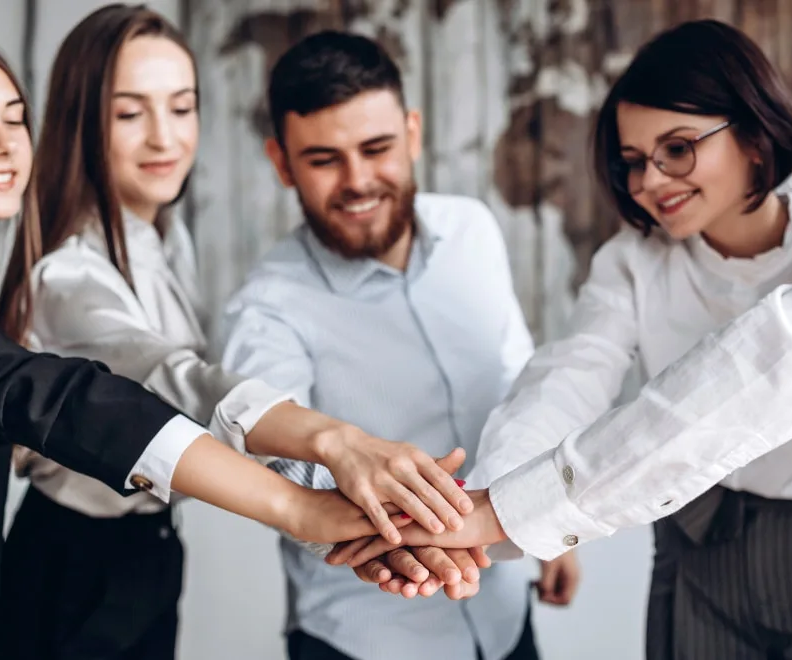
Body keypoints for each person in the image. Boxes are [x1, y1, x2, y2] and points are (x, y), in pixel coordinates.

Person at [331, 4, 792, 656]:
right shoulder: (632, 264)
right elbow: (566, 379)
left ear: (755, 137)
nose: (650, 181)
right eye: (633, 161)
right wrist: (483, 503)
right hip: (690, 554)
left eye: (678, 149)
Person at [0, 22, 465, 660]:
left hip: (144, 548)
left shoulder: (163, 241)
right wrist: (326, 457)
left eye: (183, 107)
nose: (165, 135)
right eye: (130, 112)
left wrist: (327, 511)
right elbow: (148, 388)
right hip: (76, 558)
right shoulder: (66, 272)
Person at [219, 30, 577, 660]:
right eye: (324, 159)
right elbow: (286, 469)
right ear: (281, 163)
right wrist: (395, 532)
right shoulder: (266, 306)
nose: (358, 181)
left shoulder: (473, 229)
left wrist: (551, 525)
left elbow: (519, 379)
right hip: (365, 637)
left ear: (412, 133)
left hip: (503, 618)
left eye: (377, 148)